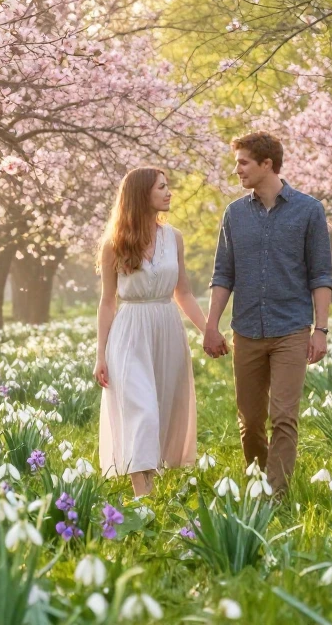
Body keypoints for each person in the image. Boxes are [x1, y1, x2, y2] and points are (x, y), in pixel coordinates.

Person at [203, 132, 332, 497]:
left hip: (291, 329)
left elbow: (321, 274)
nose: (237, 170)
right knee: (251, 421)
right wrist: (211, 325)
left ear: (266, 164)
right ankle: (257, 481)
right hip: (246, 330)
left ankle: (276, 497)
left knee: (284, 417)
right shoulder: (234, 214)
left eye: (243, 162)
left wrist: (320, 329)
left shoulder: (309, 210)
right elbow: (223, 274)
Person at [95, 167, 206, 497]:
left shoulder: (174, 238)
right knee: (141, 410)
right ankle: (143, 496)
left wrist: (207, 331)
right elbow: (106, 302)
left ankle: (149, 486)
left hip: (167, 328)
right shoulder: (114, 244)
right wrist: (100, 354)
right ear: (142, 194)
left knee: (160, 407)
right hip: (129, 333)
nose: (169, 192)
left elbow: (183, 292)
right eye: (162, 187)